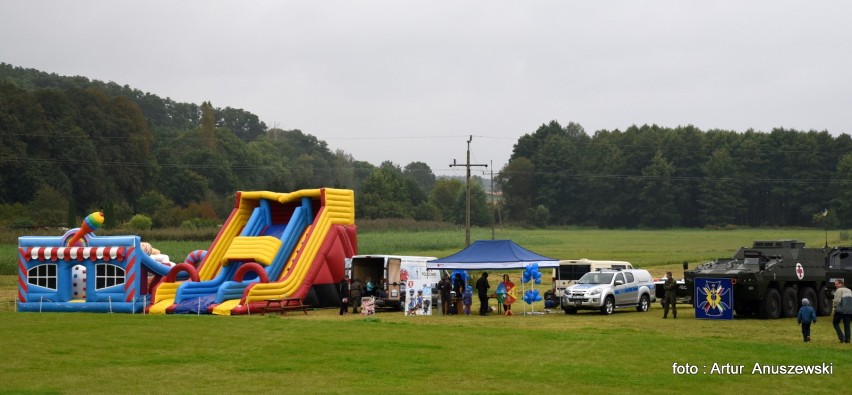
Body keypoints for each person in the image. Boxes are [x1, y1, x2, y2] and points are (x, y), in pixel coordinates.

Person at [832, 279, 852, 343]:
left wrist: (834, 308)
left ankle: (841, 337)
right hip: (848, 310)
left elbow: (836, 301)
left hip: (840, 310)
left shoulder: (838, 290)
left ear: (841, 284)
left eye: (836, 284)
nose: (835, 285)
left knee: (835, 323)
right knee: (847, 324)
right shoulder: (849, 290)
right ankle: (848, 339)